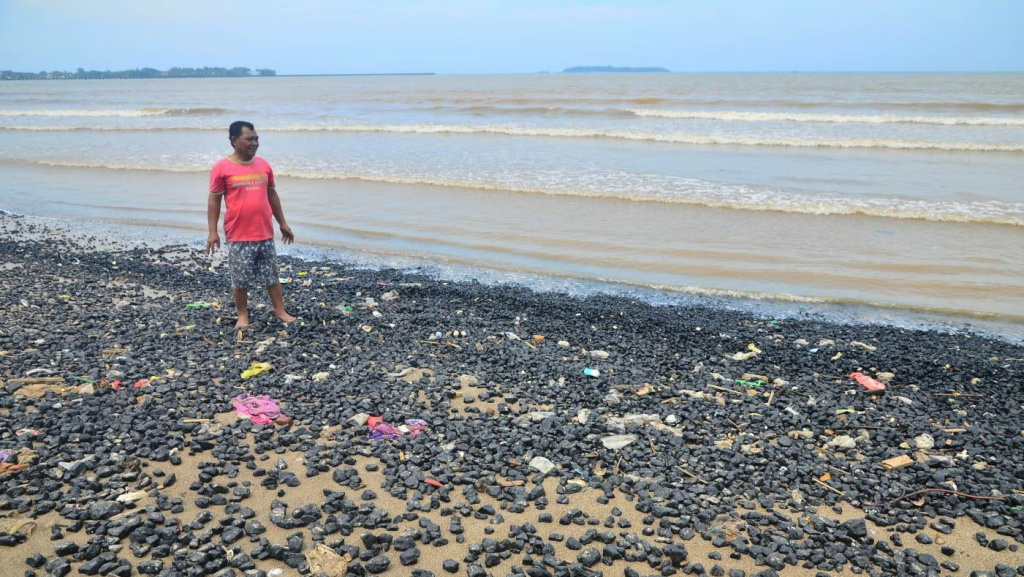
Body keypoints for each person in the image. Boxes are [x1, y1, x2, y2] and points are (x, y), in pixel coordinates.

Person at [206, 120, 295, 327]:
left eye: (256, 139)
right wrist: (212, 232)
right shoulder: (222, 167)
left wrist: (282, 223)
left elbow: (272, 194)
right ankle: (242, 315)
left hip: (264, 233)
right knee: (240, 280)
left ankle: (280, 310)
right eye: (250, 139)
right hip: (239, 235)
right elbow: (213, 200)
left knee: (272, 276)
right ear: (234, 140)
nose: (255, 143)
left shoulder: (263, 165)